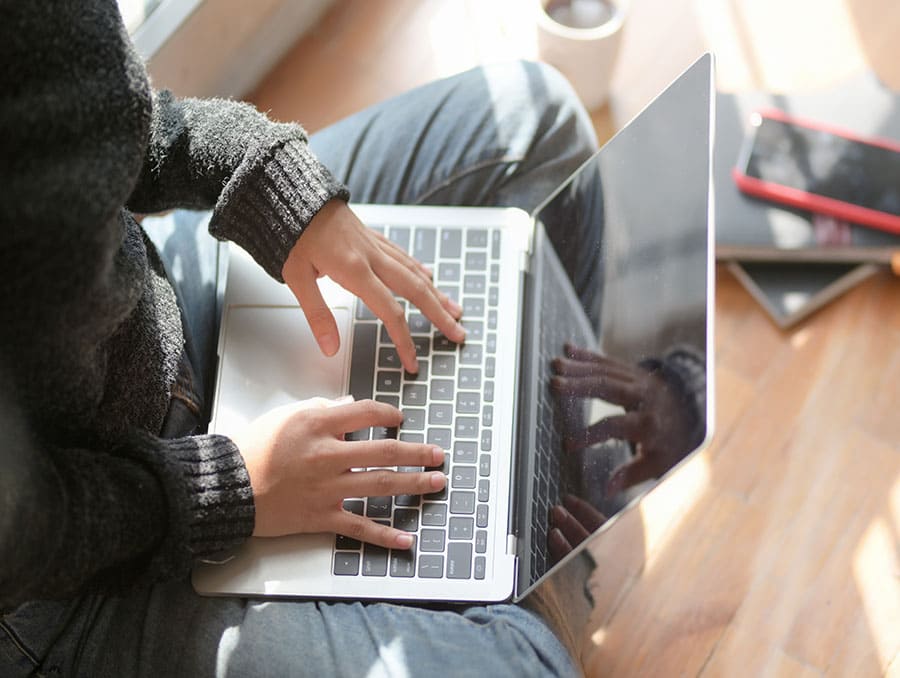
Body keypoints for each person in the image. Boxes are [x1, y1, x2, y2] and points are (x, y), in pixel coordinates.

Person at [0, 1, 600, 675]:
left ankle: (519, 549)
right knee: (530, 666)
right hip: (75, 568)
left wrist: (273, 188)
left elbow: (108, 125)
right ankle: (514, 573)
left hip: (155, 320)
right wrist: (229, 489)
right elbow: (28, 536)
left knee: (535, 120)